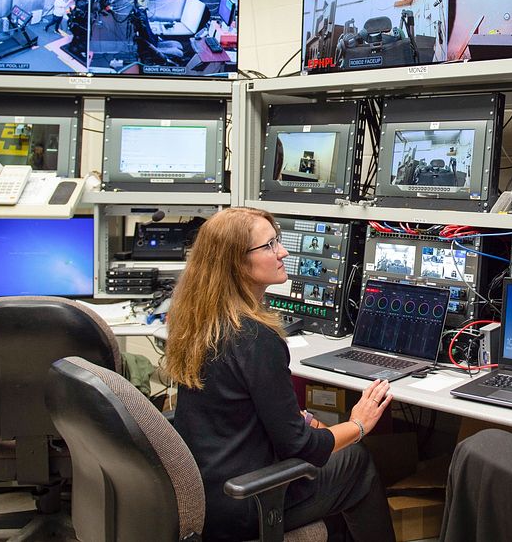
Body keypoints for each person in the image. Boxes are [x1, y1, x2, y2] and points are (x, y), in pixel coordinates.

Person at [164, 207, 396, 542]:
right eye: (270, 245)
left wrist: (290, 418)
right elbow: (301, 447)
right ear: (236, 262)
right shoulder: (257, 339)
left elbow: (227, 406)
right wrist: (358, 424)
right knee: (355, 462)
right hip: (246, 502)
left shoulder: (198, 319)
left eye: (279, 242)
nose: (283, 252)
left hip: (206, 490)